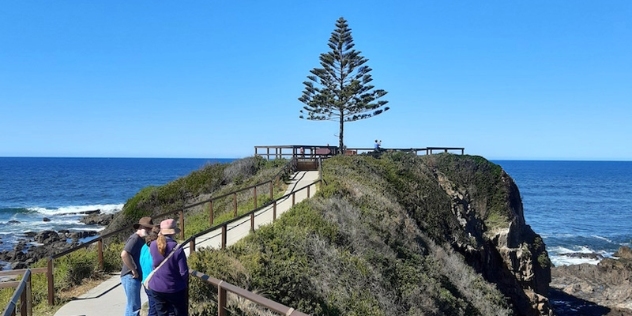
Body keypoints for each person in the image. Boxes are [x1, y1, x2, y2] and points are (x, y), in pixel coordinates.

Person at [149, 219, 189, 316]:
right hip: (174, 288)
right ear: (173, 232)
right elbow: (183, 272)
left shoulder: (153, 245)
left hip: (156, 287)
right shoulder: (177, 248)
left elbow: (154, 263)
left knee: (161, 313)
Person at [121, 216, 155, 316]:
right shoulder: (135, 238)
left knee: (131, 305)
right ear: (140, 227)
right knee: (134, 307)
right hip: (130, 276)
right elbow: (124, 254)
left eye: (150, 228)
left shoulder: (141, 239)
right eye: (147, 228)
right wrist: (133, 270)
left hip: (132, 276)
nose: (149, 230)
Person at [140, 225, 161, 316]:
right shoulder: (155, 250)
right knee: (156, 309)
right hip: (154, 282)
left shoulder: (143, 248)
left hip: (145, 281)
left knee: (153, 306)